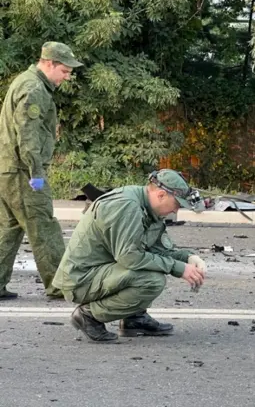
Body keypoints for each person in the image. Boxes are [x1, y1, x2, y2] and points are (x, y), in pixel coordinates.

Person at [52, 169, 208, 343]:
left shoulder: (148, 207)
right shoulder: (127, 206)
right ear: (161, 195)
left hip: (101, 271)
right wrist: (177, 268)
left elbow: (157, 249)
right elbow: (130, 257)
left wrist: (188, 258)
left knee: (151, 267)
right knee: (152, 280)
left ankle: (134, 318)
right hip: (80, 280)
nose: (176, 210)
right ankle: (88, 316)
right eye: (177, 204)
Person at [0, 42, 83, 301]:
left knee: (9, 228)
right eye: (65, 71)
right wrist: (36, 171)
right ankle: (61, 285)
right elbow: (28, 134)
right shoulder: (34, 88)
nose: (67, 77)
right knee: (44, 227)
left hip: (9, 170)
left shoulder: (26, 82)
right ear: (49, 63)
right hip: (23, 172)